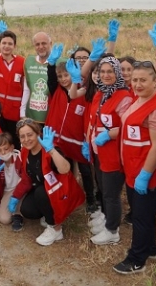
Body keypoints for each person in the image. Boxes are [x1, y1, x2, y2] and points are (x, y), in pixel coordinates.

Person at [111, 61, 156, 274]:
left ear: (155, 81)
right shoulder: (138, 99)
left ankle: (137, 259)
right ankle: (151, 248)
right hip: (132, 171)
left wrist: (145, 174)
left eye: (143, 80)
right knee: (143, 214)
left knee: (141, 218)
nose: (137, 84)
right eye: (135, 80)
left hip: (149, 175)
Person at [9, 120, 85, 246]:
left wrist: (51, 150)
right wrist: (15, 197)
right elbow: (27, 178)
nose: (26, 139)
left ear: (38, 133)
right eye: (22, 136)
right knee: (27, 210)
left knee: (40, 192)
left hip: (61, 191)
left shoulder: (50, 148)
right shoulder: (25, 152)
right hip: (45, 190)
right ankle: (49, 214)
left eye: (30, 135)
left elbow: (65, 169)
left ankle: (56, 229)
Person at [86, 55, 133, 245]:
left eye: (110, 71)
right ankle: (106, 219)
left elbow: (128, 126)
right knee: (103, 189)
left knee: (111, 194)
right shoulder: (101, 93)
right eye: (102, 71)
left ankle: (112, 230)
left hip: (113, 154)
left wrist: (108, 135)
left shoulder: (124, 97)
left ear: (118, 73)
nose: (105, 75)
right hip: (99, 152)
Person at [47, 56, 98, 213]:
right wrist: (51, 64)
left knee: (86, 171)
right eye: (60, 76)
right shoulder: (56, 89)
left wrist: (87, 139)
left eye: (66, 75)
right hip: (58, 140)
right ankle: (67, 195)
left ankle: (91, 199)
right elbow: (50, 77)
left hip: (77, 140)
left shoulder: (82, 93)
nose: (63, 79)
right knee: (64, 170)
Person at [21, 32, 52, 124]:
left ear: (50, 44)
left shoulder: (59, 62)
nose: (41, 47)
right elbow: (26, 89)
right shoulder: (29, 62)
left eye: (44, 43)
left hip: (51, 115)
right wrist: (22, 113)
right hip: (31, 114)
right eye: (37, 44)